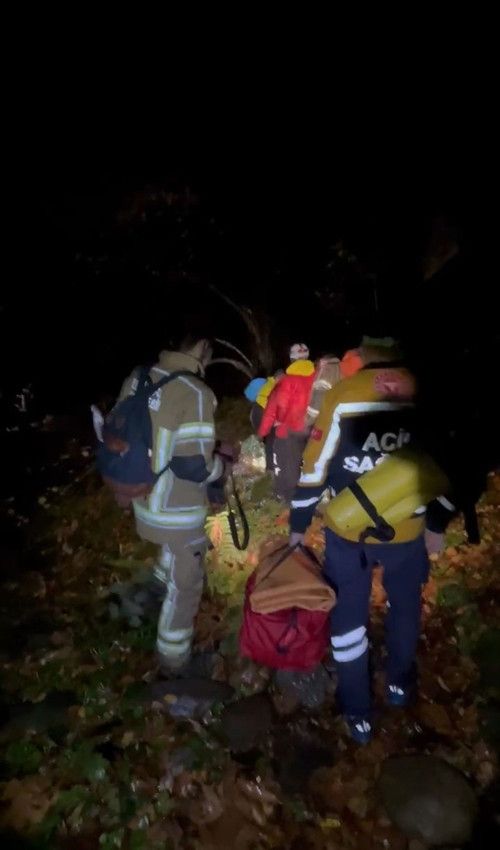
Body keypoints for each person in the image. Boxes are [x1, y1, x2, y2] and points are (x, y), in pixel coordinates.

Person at [289, 347, 437, 743]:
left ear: (363, 358)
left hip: (350, 531)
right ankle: (399, 685)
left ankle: (358, 714)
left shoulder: (344, 394)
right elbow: (439, 458)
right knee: (405, 607)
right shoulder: (422, 390)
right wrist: (436, 525)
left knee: (348, 618)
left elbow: (314, 467)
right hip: (407, 526)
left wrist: (299, 524)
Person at [118, 331, 226, 672]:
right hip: (176, 513)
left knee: (171, 556)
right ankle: (174, 661)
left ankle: (151, 594)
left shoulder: (138, 377)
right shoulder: (196, 393)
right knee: (186, 586)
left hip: (139, 498)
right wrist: (222, 467)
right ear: (201, 348)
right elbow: (194, 466)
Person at [258, 343, 315, 503]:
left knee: (287, 465)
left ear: (292, 359)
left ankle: (289, 499)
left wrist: (263, 432)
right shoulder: (317, 377)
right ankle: (312, 495)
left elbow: (274, 408)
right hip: (313, 427)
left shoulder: (286, 381)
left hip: (290, 429)